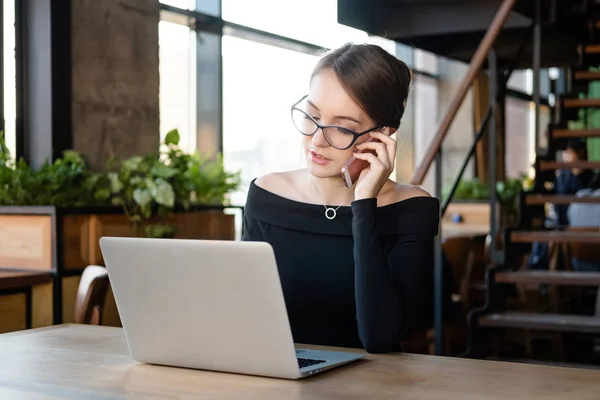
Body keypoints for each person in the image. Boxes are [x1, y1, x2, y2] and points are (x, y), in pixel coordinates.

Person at [241, 43, 440, 354]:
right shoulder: (267, 195)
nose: (317, 140)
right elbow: (247, 315)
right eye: (312, 116)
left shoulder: (411, 209)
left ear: (382, 135)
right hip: (278, 379)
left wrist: (363, 204)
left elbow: (379, 337)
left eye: (341, 128)